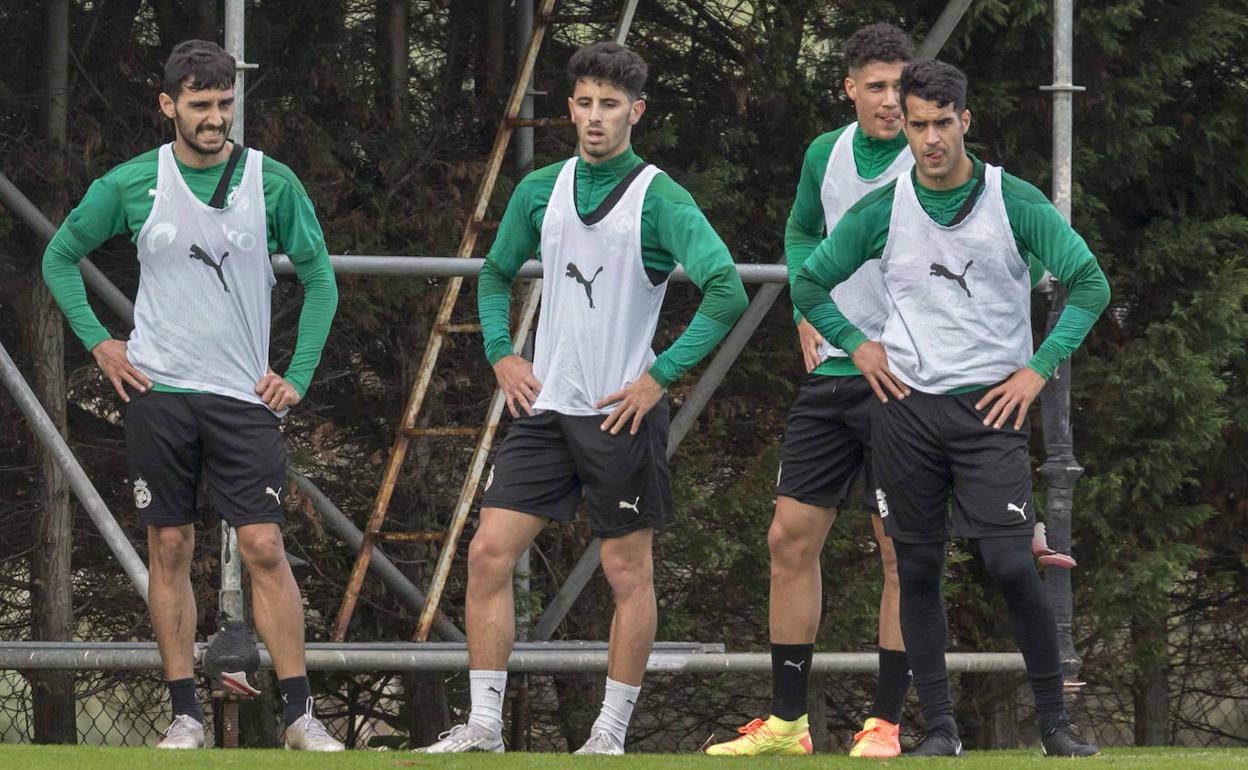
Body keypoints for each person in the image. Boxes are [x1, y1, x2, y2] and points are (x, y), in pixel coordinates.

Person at [416, 41, 747, 755]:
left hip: (620, 413)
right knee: (487, 556)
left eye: (610, 105)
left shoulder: (660, 198)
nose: (596, 118)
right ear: (569, 109)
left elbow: (728, 289)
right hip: (546, 411)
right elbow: (495, 273)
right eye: (585, 104)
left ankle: (609, 733)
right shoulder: (541, 189)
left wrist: (660, 375)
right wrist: (502, 353)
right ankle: (483, 726)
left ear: (637, 111)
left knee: (629, 572)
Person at [792, 59, 1107, 758]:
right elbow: (810, 282)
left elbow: (1089, 283)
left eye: (942, 122)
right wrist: (856, 345)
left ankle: (1055, 725)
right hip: (905, 409)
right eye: (917, 124)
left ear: (966, 120)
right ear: (901, 124)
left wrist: (1036, 371)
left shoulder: (1013, 200)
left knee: (1010, 564)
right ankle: (939, 729)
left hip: (990, 410)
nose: (930, 138)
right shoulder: (882, 209)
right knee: (919, 567)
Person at [41, 40, 342, 751]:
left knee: (265, 547)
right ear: (168, 104)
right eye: (201, 104)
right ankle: (185, 715)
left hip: (243, 398)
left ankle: (300, 716)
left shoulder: (273, 182)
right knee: (169, 545)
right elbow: (58, 255)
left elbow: (321, 277)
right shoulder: (131, 183)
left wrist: (296, 374)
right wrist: (99, 342)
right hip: (158, 392)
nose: (215, 118)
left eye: (225, 104)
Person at [705, 22, 915, 759]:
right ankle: (788, 724)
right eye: (879, 86)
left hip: (906, 380)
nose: (893, 101)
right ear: (850, 87)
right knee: (788, 540)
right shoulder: (823, 153)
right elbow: (800, 233)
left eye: (902, 85)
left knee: (899, 550)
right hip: (831, 377)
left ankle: (884, 723)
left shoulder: (938, 155)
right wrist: (804, 304)